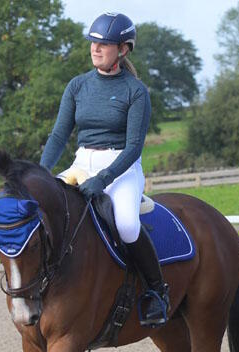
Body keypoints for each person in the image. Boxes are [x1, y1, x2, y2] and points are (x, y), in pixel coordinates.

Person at [39, 12, 169, 327]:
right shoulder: (77, 85)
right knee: (47, 211)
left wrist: (104, 179)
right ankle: (43, 286)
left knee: (125, 224)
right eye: (93, 43)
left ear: (123, 50)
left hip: (121, 167)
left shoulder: (135, 91)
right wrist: (42, 172)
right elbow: (59, 136)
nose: (96, 49)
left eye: (104, 44)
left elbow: (134, 147)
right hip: (82, 161)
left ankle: (156, 291)